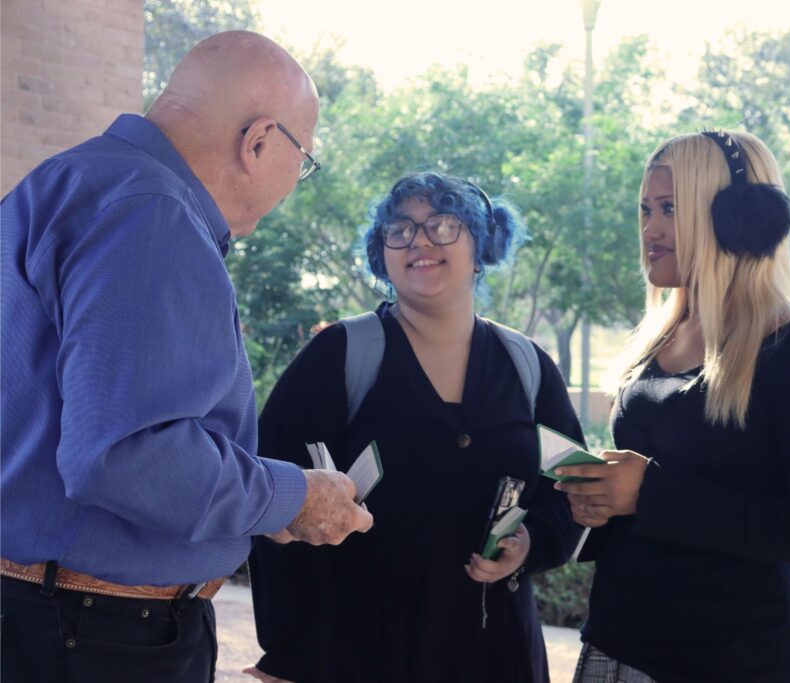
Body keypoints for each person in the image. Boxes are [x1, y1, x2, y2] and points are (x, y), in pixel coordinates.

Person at [0, 31, 372, 683]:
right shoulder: (152, 213)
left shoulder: (70, 181)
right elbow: (125, 455)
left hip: (51, 621)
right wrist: (291, 496)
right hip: (96, 636)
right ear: (259, 141)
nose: (296, 180)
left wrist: (261, 505)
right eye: (303, 160)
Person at [245, 172, 584, 683]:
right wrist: (292, 654)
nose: (420, 241)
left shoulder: (527, 367)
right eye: (399, 229)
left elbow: (573, 488)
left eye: (443, 225)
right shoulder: (338, 356)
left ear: (482, 244)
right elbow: (273, 498)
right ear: (381, 254)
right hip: (362, 655)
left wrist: (532, 544)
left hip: (497, 651)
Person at [556, 130, 790, 682]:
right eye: (646, 208)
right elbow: (645, 510)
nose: (650, 228)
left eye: (671, 208)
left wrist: (649, 491)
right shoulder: (655, 340)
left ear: (736, 216)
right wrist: (595, 506)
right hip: (618, 643)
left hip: (736, 660)